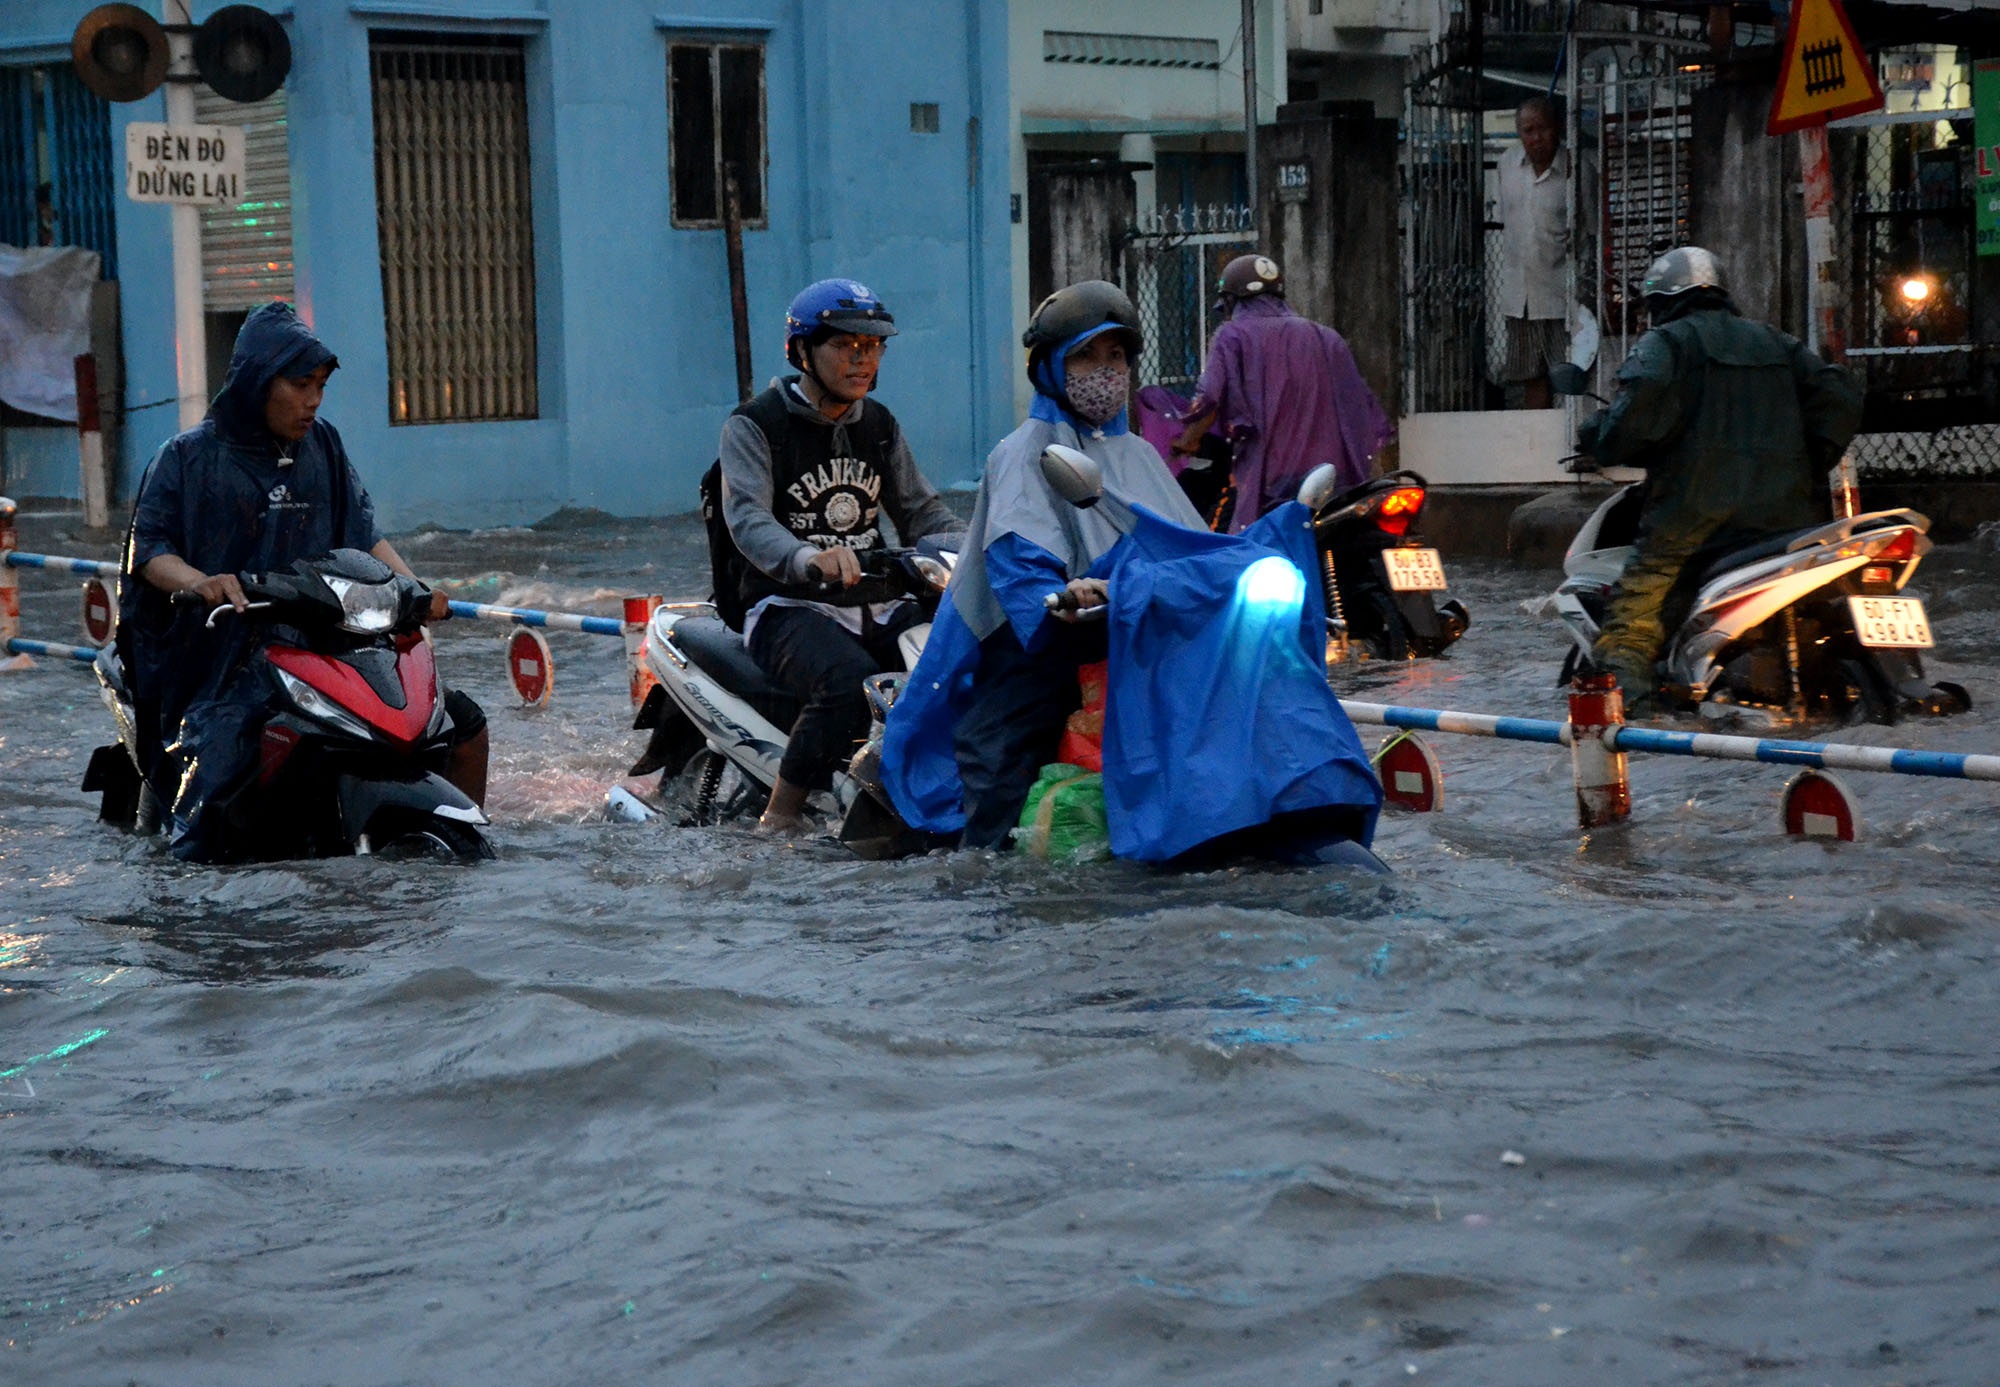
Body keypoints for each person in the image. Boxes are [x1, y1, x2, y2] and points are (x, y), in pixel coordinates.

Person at [881, 279, 1381, 856]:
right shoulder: (1025, 452)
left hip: (1130, 636)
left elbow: (1192, 551)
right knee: (1001, 777)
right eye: (1086, 355)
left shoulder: (1139, 455)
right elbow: (1019, 556)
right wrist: (1061, 592)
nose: (1105, 370)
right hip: (1040, 647)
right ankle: (986, 875)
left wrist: (1275, 537)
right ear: (1048, 367)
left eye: (1116, 355)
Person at [120, 301, 487, 858]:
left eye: (319, 385)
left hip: (324, 650)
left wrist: (418, 590)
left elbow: (364, 535)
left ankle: (460, 837)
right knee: (219, 765)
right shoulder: (186, 458)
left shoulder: (324, 446)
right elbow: (150, 552)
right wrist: (203, 582)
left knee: (459, 724)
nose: (313, 400)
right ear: (258, 382)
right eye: (299, 384)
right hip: (220, 661)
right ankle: (185, 893)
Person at [717, 278, 961, 836]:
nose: (864, 360)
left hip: (874, 597)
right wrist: (808, 557)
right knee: (848, 682)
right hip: (786, 603)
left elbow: (923, 513)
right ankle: (779, 815)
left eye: (874, 347)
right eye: (847, 346)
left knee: (955, 659)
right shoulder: (755, 425)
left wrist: (982, 546)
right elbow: (749, 521)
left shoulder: (878, 425)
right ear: (802, 350)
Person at [1580, 247, 1864, 712]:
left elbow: (1633, 419)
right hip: (1786, 521)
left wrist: (1600, 439)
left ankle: (1634, 731)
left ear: (1663, 302)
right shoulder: (1777, 342)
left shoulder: (1668, 344)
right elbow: (1839, 395)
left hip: (1693, 521)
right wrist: (1808, 461)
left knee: (1631, 625)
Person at [1169, 253, 1390, 532]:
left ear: (1231, 301)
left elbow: (1208, 399)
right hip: (1338, 484)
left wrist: (1186, 441)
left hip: (1271, 484)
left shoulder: (1232, 336)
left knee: (1238, 553)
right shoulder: (1327, 337)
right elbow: (1363, 413)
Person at [1496, 95, 1571, 410]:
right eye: (1528, 130)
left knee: (1569, 377)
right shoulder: (1507, 166)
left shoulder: (1574, 168)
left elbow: (1590, 229)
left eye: (1542, 128)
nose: (1536, 137)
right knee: (1532, 379)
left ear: (1556, 130)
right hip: (1521, 296)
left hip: (1563, 296)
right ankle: (1535, 446)